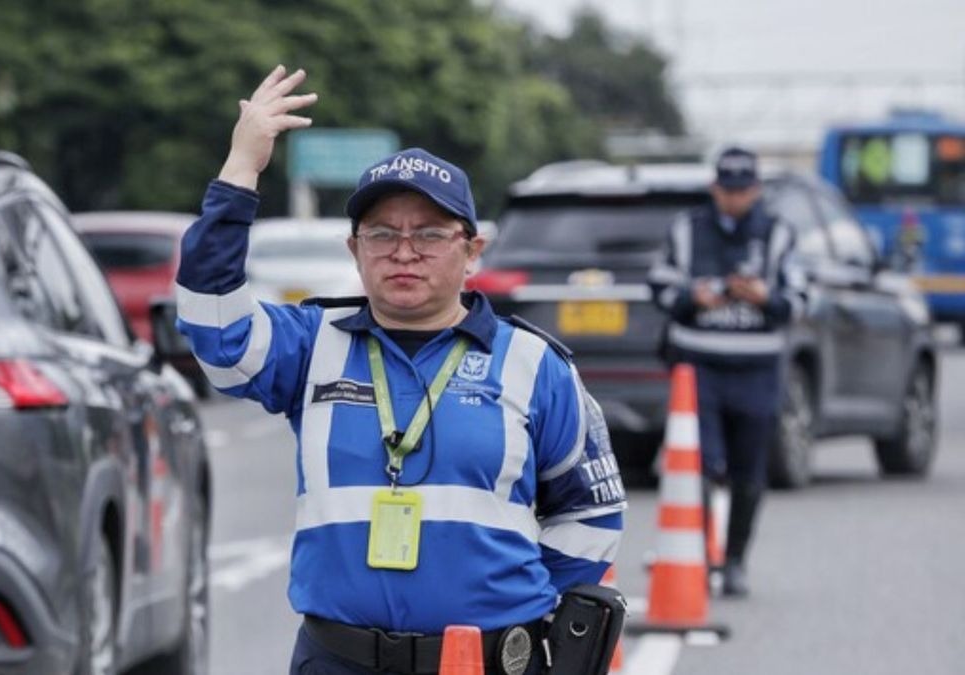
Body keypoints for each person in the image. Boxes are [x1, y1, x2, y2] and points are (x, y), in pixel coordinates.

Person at [176, 65, 626, 675]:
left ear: (472, 251)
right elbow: (212, 324)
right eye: (382, 233)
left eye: (430, 234)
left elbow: (591, 511)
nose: (404, 251)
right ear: (354, 249)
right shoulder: (310, 344)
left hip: (485, 663)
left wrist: (518, 611)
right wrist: (241, 170)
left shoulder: (533, 364)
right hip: (337, 659)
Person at [647, 146, 806, 597]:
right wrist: (693, 297)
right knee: (701, 465)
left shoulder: (778, 234)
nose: (734, 198)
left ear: (755, 190)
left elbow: (800, 300)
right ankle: (698, 553)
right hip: (698, 369)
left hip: (757, 370)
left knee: (749, 472)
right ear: (715, 188)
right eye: (727, 189)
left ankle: (735, 559)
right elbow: (658, 286)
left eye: (743, 190)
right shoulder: (687, 230)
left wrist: (761, 296)